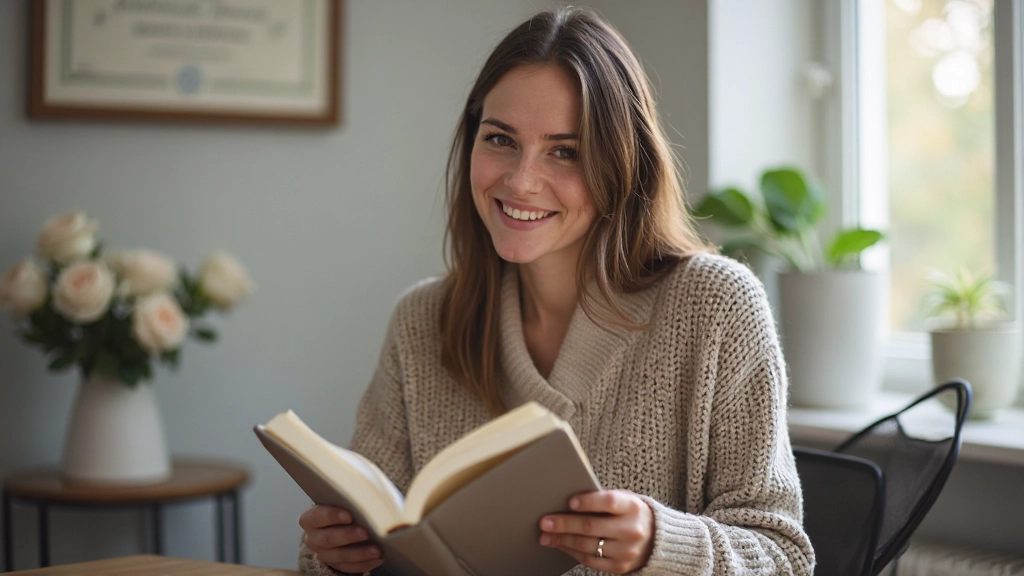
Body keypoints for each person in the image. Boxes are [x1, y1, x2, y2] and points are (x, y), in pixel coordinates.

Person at [297, 7, 814, 576]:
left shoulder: (717, 308)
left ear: (623, 165)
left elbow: (785, 559)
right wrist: (336, 556)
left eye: (565, 151)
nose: (520, 181)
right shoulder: (423, 321)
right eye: (500, 139)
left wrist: (659, 545)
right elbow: (365, 532)